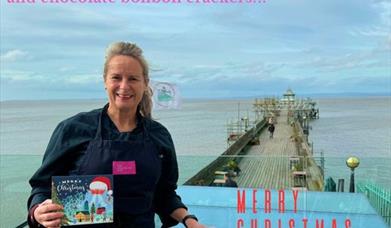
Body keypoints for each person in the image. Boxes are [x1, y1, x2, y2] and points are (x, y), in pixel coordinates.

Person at [27, 42, 204, 228]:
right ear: (105, 81)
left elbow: (164, 194)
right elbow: (42, 187)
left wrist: (190, 221)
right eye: (116, 78)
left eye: (133, 79)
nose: (124, 86)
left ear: (145, 83)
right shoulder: (73, 129)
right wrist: (38, 211)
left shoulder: (159, 136)